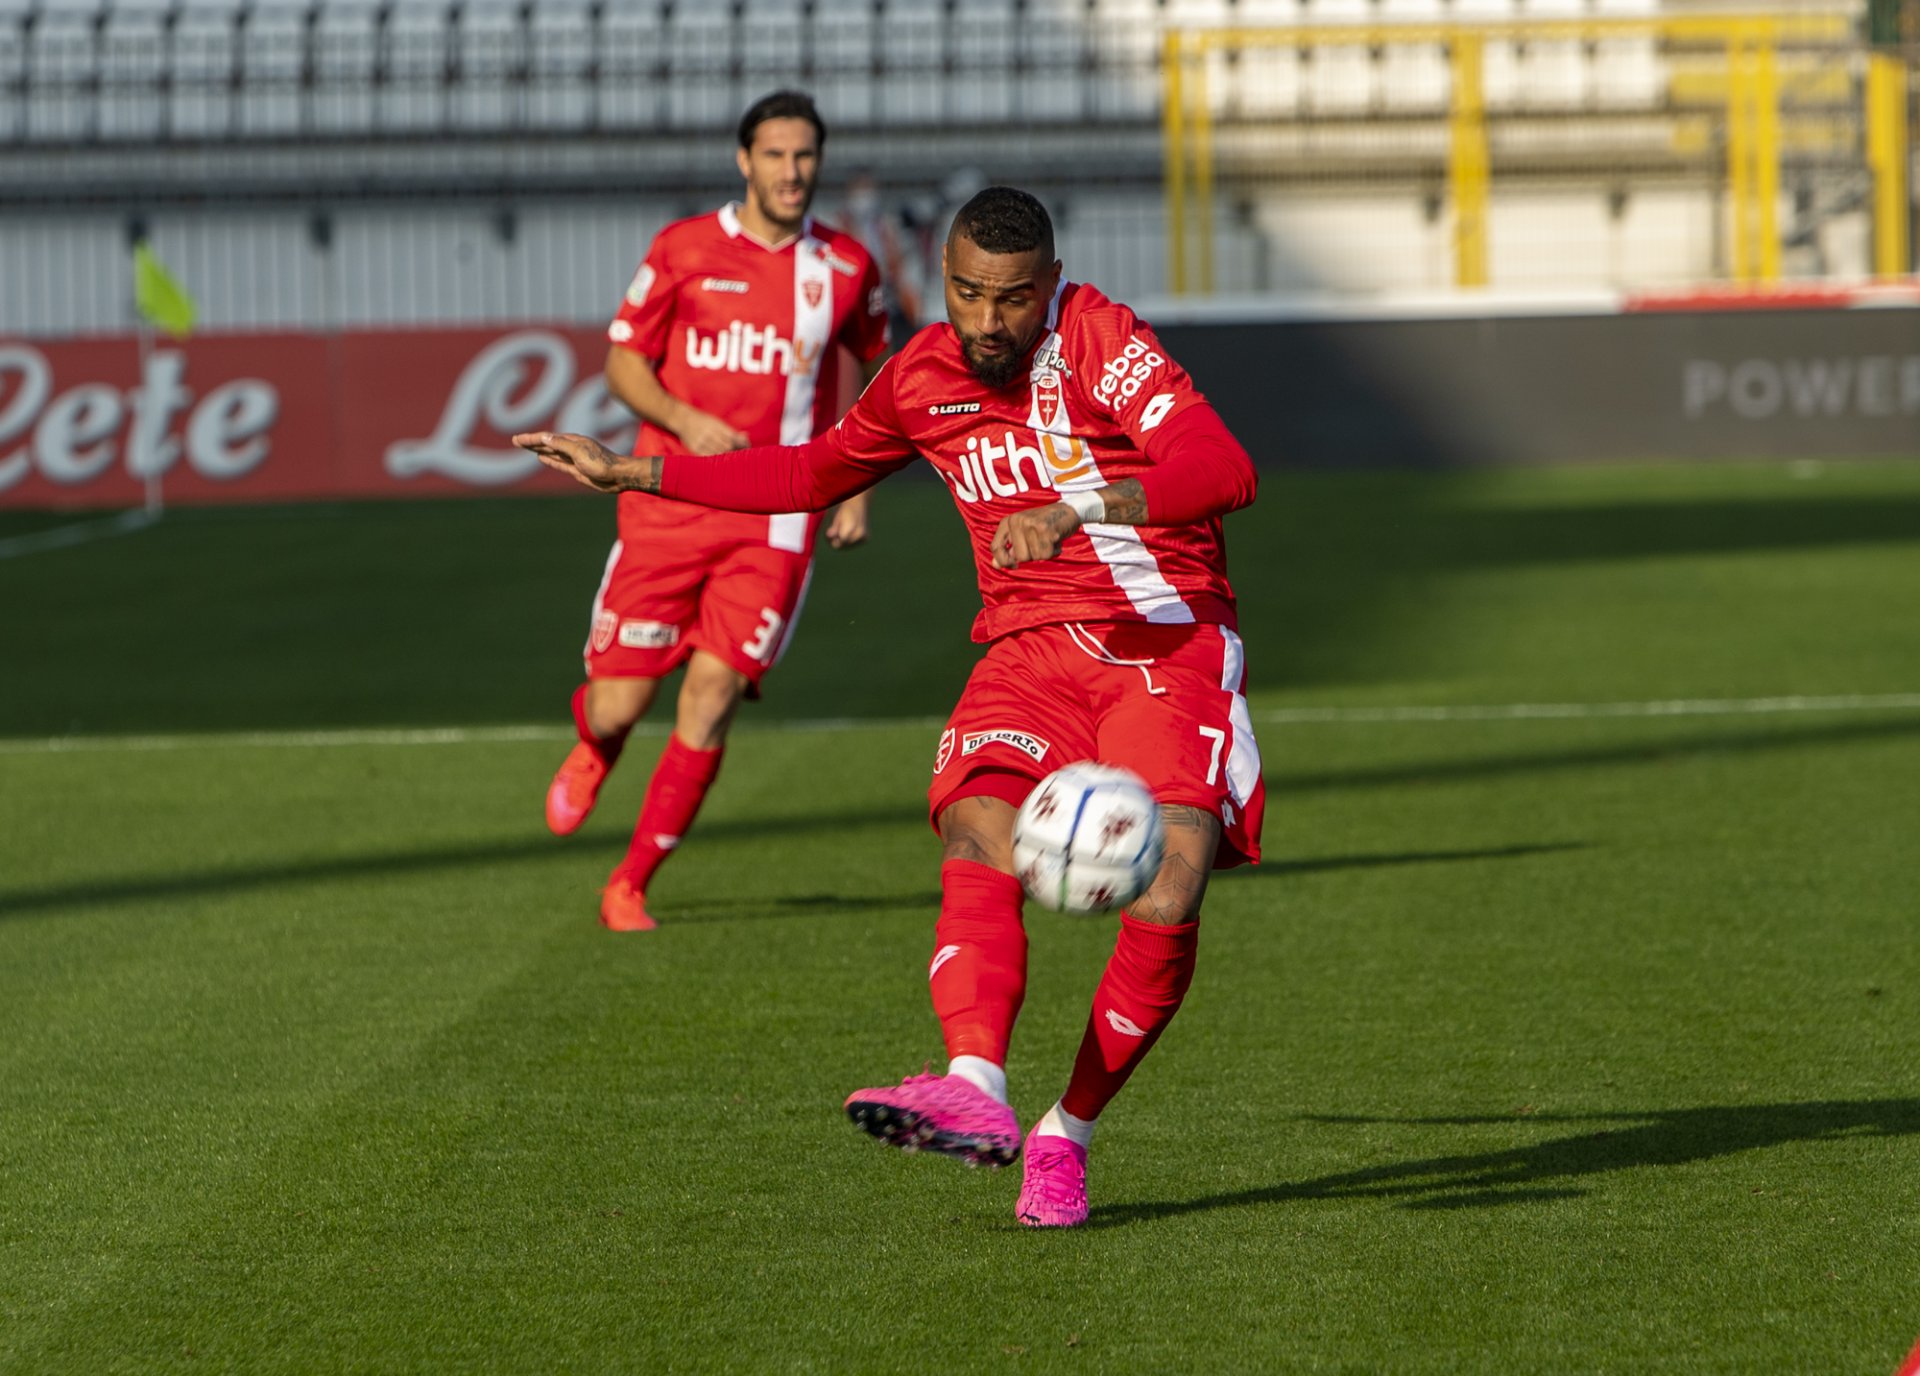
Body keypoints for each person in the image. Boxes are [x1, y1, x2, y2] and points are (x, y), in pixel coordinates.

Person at [517, 186, 1263, 1228]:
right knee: (975, 823)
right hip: (1028, 647)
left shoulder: (1101, 340)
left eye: (1011, 299)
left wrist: (1079, 505)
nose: (988, 320)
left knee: (1171, 889)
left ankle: (1068, 1131)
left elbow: (1223, 467)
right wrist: (635, 468)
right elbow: (816, 469)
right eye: (967, 294)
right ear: (945, 283)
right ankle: (975, 1084)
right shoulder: (922, 376)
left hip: (1165, 637)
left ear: (1047, 285)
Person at [545, 89, 892, 933]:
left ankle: (630, 881)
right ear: (744, 161)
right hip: (667, 501)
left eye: (804, 155)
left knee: (712, 693)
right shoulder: (683, 248)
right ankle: (597, 743)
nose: (791, 171)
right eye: (774, 155)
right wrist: (681, 418)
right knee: (622, 703)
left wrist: (858, 487)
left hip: (775, 519)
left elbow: (886, 377)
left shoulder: (846, 267)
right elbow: (624, 363)